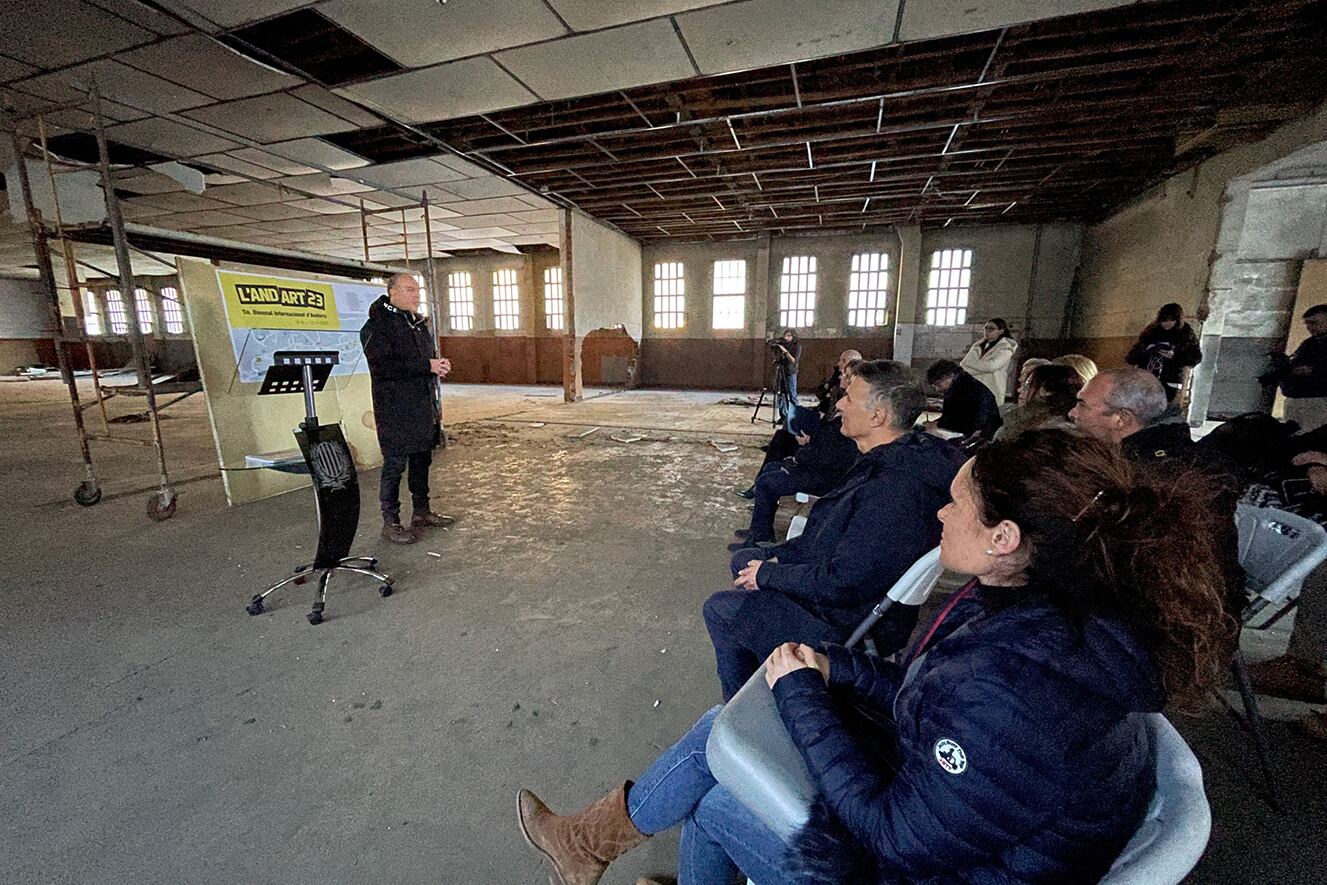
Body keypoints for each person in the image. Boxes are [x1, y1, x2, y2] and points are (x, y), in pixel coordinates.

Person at [515, 429, 1235, 885]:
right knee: (719, 739)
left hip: (920, 862)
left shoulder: (1017, 686)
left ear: (1004, 537)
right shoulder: (1058, 611)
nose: (940, 514)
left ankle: (587, 846)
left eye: (958, 505)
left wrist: (799, 698)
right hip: (973, 828)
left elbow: (895, 837)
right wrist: (834, 669)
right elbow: (938, 695)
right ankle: (588, 844)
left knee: (714, 789)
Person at [709, 360, 962, 700]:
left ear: (878, 416)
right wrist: (770, 562)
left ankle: (746, 707)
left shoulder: (895, 490)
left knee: (720, 607)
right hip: (839, 578)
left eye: (849, 398)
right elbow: (835, 544)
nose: (840, 404)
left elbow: (844, 582)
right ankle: (769, 658)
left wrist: (770, 575)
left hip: (847, 620)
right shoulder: (895, 458)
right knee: (746, 559)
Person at [1070, 368, 1245, 613]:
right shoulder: (1179, 451)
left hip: (1170, 613)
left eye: (1082, 405)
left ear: (1121, 418)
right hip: (1198, 606)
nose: (1072, 413)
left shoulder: (1142, 472)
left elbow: (1103, 553)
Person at [360, 273, 455, 544]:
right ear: (392, 292)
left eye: (417, 289)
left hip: (421, 406)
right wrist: (427, 366)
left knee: (421, 461)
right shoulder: (376, 327)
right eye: (409, 289)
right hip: (394, 409)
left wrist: (436, 365)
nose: (416, 294)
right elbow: (382, 368)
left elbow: (422, 361)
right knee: (394, 465)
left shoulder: (416, 323)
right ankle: (391, 521)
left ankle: (422, 512)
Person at [731, 365, 862, 547]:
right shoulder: (841, 409)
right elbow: (827, 446)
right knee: (771, 467)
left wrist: (798, 456)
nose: (840, 377)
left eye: (844, 375)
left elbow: (828, 455)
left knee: (767, 482)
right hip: (820, 465)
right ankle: (760, 530)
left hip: (825, 476)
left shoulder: (852, 420)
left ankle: (761, 536)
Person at [1126, 303, 1202, 403]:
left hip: (1169, 381)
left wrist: (1175, 356)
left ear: (1177, 320)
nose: (1167, 323)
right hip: (1146, 379)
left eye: (1171, 320)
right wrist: (1147, 352)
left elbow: (1195, 358)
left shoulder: (1185, 334)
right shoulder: (1151, 332)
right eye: (1164, 320)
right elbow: (1131, 357)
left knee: (1162, 408)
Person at [993, 363, 1081, 440]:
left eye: (1027, 385)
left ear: (1045, 391)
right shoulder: (1070, 427)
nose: (1020, 390)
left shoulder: (1040, 430)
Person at [1274, 304, 1327, 432]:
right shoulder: (1309, 344)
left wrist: (1312, 371)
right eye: (1307, 324)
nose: (1309, 328)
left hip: (1318, 401)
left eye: (1314, 322)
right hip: (1296, 399)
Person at [925, 359, 1001, 439]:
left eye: (938, 384)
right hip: (969, 431)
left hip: (981, 437)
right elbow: (950, 416)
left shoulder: (970, 390)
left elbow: (970, 423)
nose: (937, 389)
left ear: (949, 377)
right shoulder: (957, 387)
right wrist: (936, 423)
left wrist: (938, 424)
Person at [959, 317, 1018, 402]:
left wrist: (971, 365)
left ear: (1001, 331)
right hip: (974, 388)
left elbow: (991, 366)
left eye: (991, 329)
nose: (987, 331)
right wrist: (983, 368)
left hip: (992, 389)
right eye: (985, 328)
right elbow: (963, 365)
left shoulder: (1006, 348)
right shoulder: (978, 346)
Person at [815, 348, 862, 415]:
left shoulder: (858, 388)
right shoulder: (836, 376)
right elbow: (820, 394)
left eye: (843, 361)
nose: (838, 363)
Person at [772, 328, 801, 433]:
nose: (786, 338)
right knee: (781, 394)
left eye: (789, 336)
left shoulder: (796, 346)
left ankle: (796, 417)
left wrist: (785, 351)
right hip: (782, 370)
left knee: (792, 395)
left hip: (791, 372)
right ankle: (783, 416)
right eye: (785, 336)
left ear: (793, 336)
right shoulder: (783, 343)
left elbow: (793, 360)